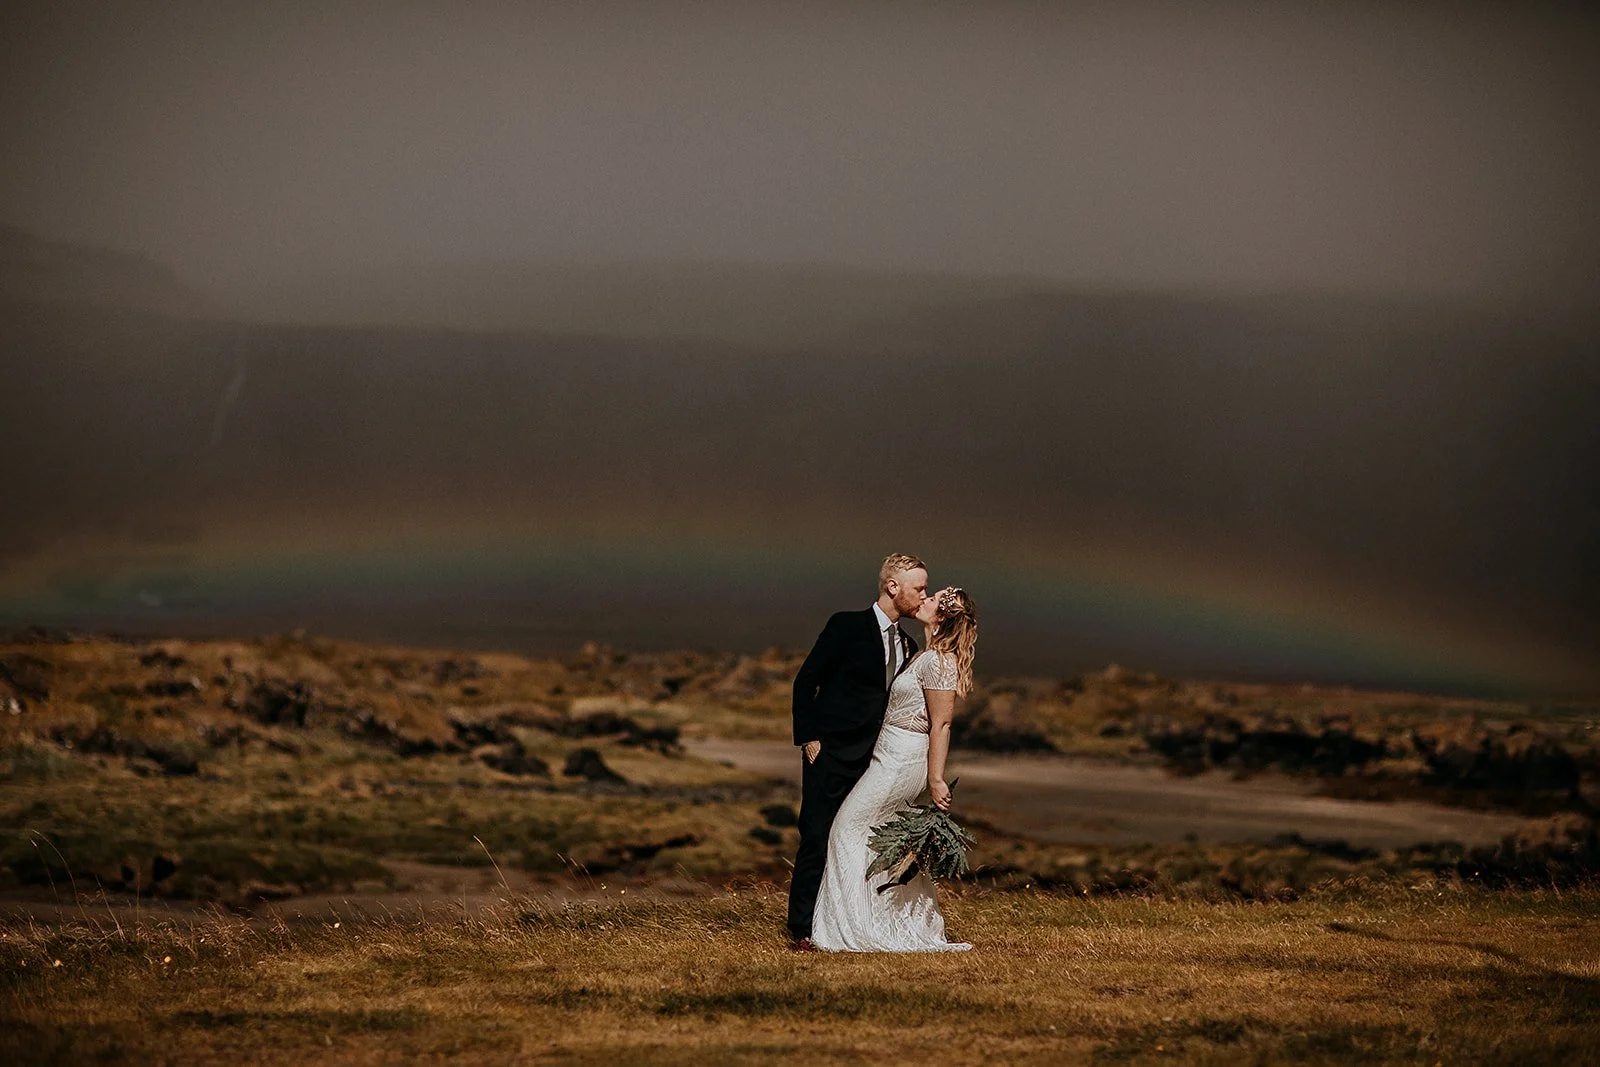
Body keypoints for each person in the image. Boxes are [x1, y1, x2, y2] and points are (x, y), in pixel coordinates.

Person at [810, 585, 977, 952]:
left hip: (903, 759)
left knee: (846, 830)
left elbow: (942, 725)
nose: (924, 599)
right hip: (890, 755)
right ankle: (886, 919)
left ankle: (855, 928)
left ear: (942, 616)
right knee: (881, 839)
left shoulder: (938, 661)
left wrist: (935, 779)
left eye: (931, 599)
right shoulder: (926, 655)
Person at [786, 552, 929, 949]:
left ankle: (840, 922)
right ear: (892, 587)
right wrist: (809, 738)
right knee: (815, 837)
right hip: (829, 754)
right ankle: (800, 930)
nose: (923, 595)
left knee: (854, 841)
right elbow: (806, 681)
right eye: (919, 587)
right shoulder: (846, 625)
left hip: (875, 761)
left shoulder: (908, 642)